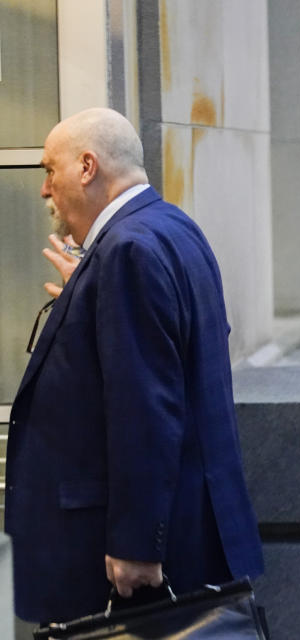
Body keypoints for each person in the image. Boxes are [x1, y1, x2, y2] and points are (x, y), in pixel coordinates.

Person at [5, 108, 264, 624]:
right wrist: (87, 294)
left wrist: (136, 543)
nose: (44, 190)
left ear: (86, 167)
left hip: (137, 558)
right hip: (193, 531)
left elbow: (146, 408)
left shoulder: (127, 252)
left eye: (48, 170)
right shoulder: (170, 228)